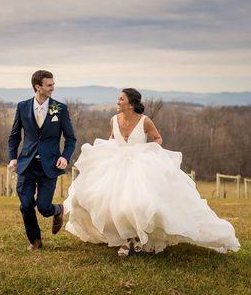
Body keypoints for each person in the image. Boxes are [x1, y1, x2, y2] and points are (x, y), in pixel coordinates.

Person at [63, 88, 240, 256]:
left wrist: (149, 150)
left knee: (137, 202)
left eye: (121, 99)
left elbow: (157, 138)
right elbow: (111, 137)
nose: (118, 101)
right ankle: (125, 240)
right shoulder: (113, 119)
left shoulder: (145, 120)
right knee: (110, 202)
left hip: (139, 164)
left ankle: (138, 236)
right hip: (116, 164)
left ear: (131, 104)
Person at [8, 70, 76, 250]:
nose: (53, 88)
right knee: (25, 204)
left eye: (53, 84)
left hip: (49, 166)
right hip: (27, 164)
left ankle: (57, 210)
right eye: (49, 85)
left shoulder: (59, 108)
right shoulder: (22, 107)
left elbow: (71, 139)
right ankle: (35, 241)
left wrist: (65, 157)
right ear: (38, 87)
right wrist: (13, 158)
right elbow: (14, 136)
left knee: (44, 207)